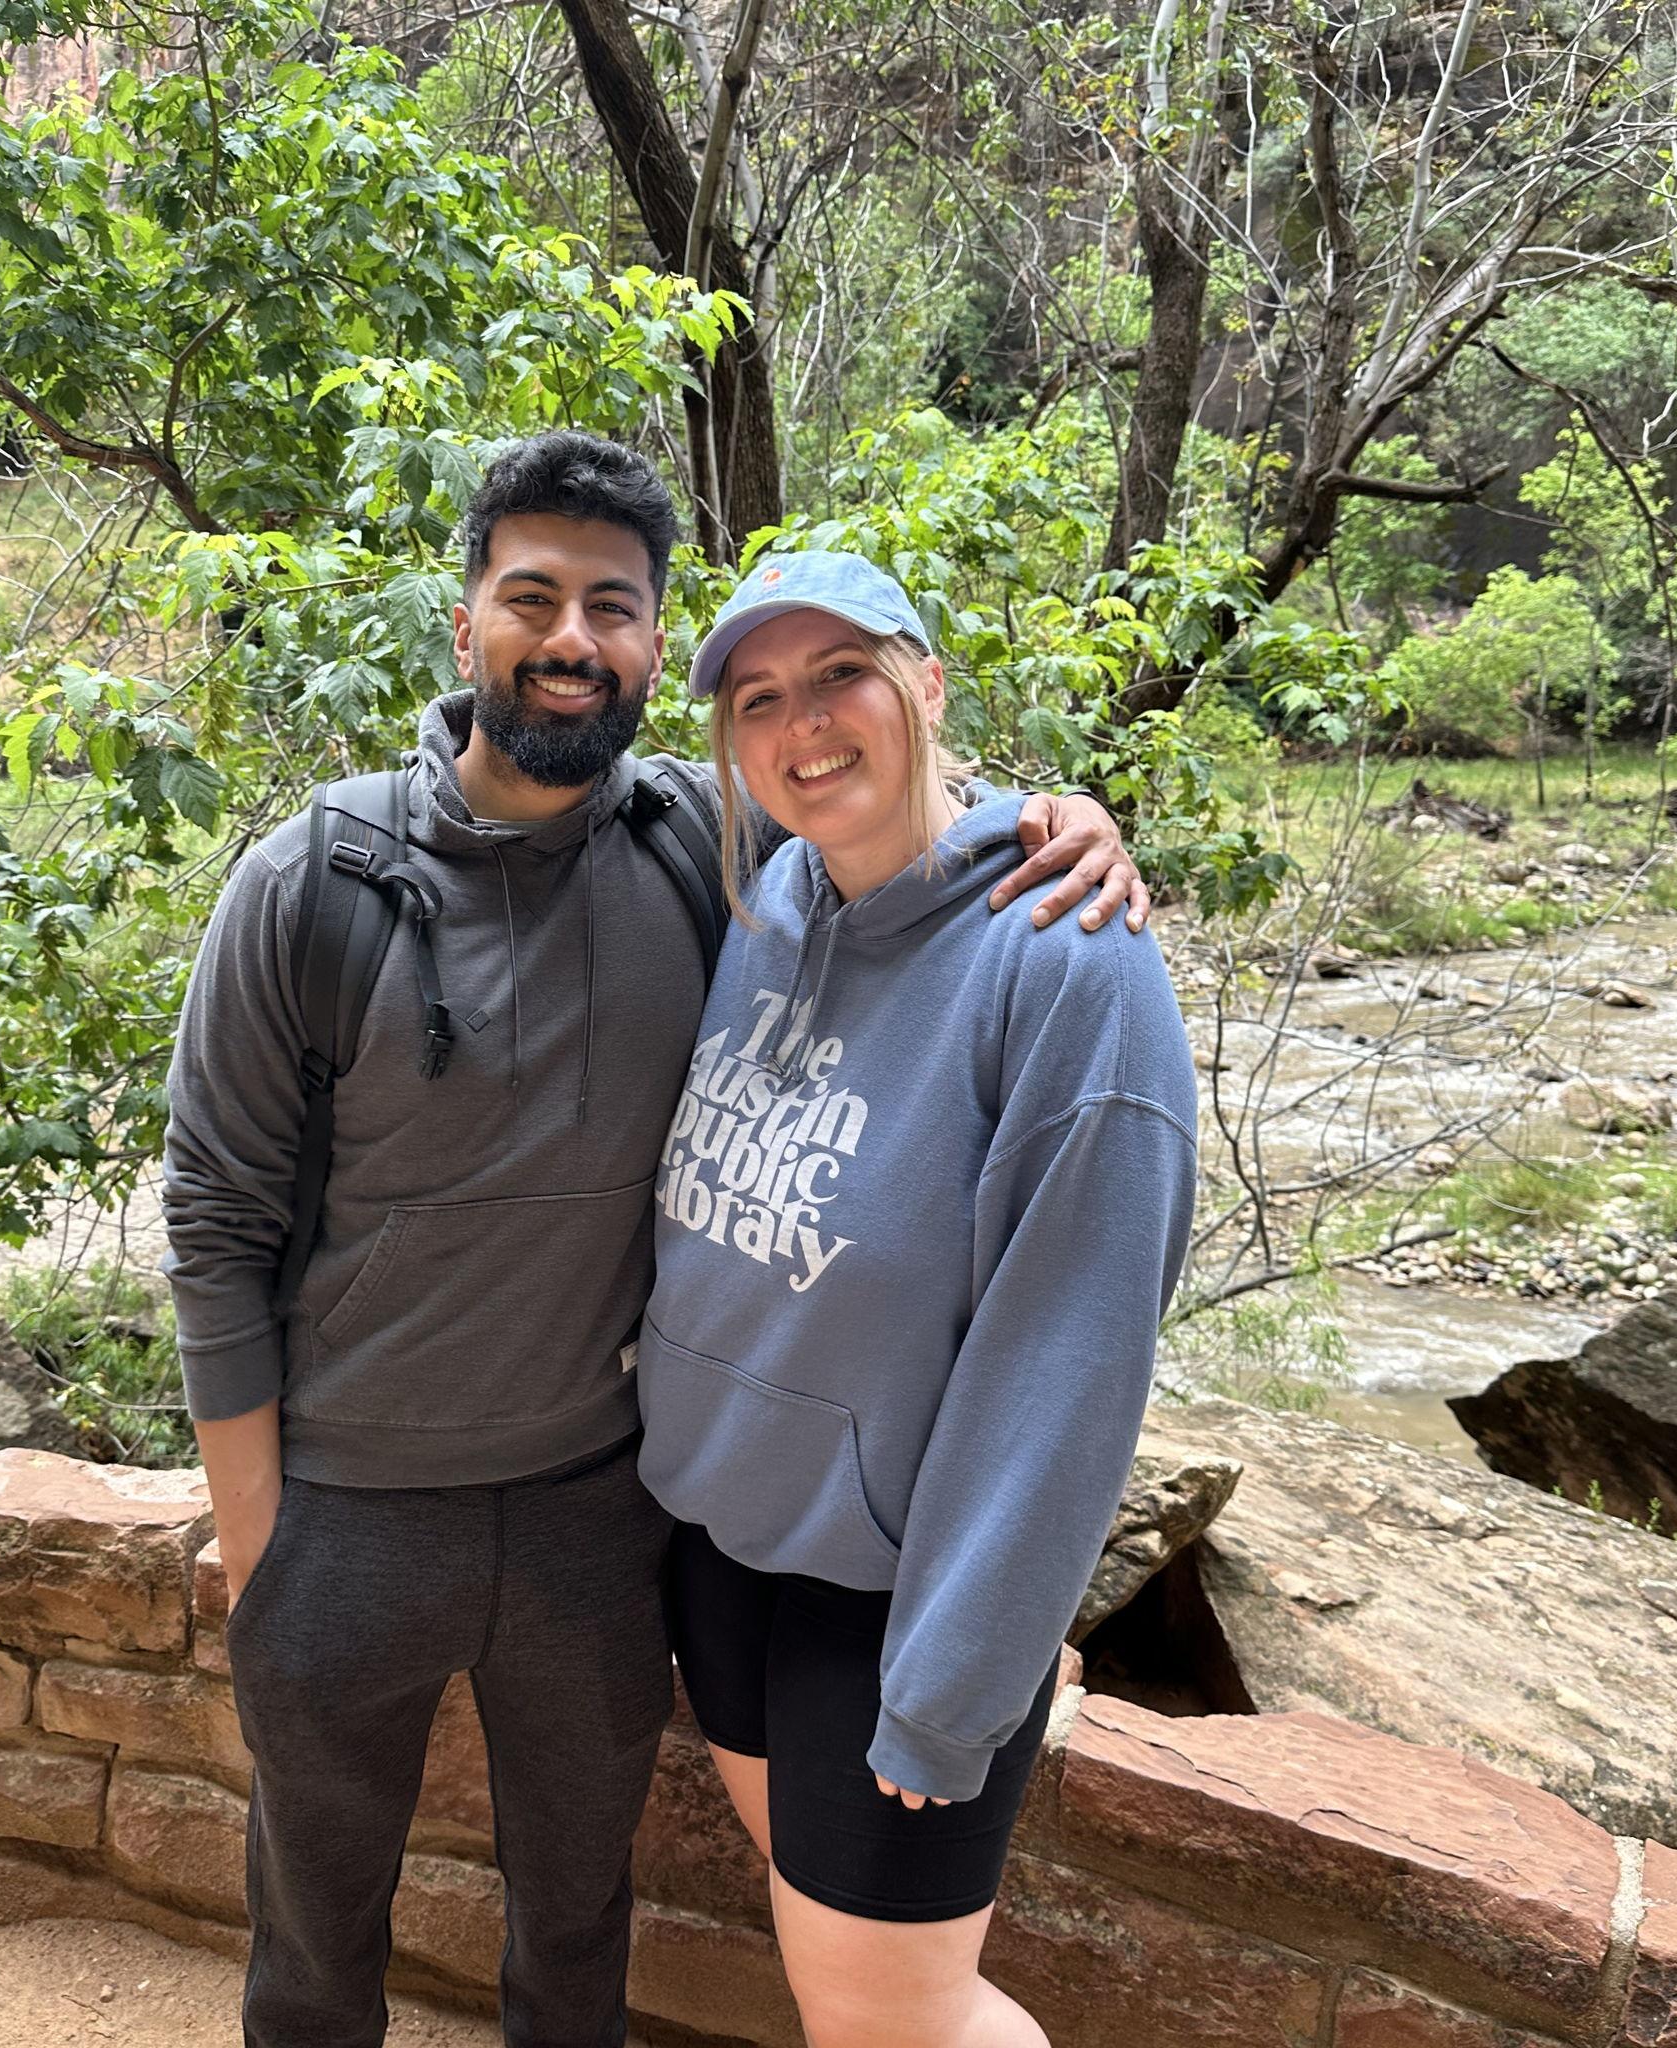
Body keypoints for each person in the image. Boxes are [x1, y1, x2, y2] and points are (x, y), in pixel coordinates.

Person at [161, 431, 1147, 2048]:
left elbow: (884, 802)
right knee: (314, 1936)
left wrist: (1063, 819)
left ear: (646, 641)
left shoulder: (701, 846)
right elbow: (213, 1219)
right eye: (530, 597)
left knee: (579, 1930)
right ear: (465, 622)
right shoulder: (317, 881)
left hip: (596, 1520)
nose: (570, 639)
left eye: (611, 607)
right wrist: (263, 1541)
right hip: (357, 1510)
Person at [637, 551, 1198, 2047]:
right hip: (724, 1553)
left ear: (930, 686)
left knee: (892, 2017)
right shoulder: (766, 890)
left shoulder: (1068, 959)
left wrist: (953, 1689)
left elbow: (1067, 1367)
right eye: (761, 698)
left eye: (844, 676)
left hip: (891, 1605)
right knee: (852, 1979)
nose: (804, 724)